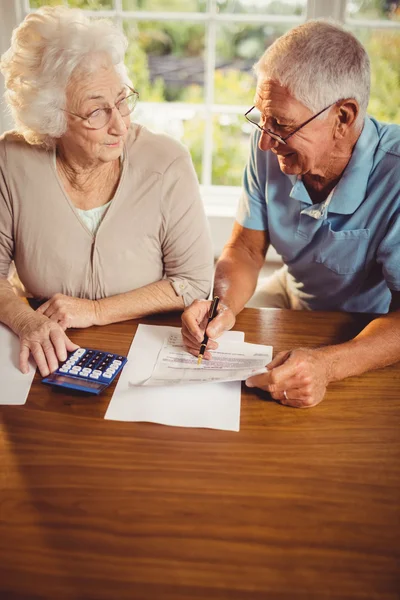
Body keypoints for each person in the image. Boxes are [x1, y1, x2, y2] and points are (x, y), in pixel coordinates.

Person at [182, 20, 400, 409]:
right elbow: (247, 251)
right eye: (262, 119)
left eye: (281, 125)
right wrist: (222, 307)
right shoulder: (267, 144)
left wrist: (328, 366)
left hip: (367, 325)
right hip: (294, 294)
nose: (265, 140)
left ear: (344, 117)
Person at [0, 6, 213, 377]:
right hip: (51, 354)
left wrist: (96, 311)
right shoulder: (11, 160)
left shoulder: (167, 162)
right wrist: (26, 321)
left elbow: (194, 283)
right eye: (96, 112)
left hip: (146, 356)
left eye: (121, 100)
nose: (120, 125)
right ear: (52, 118)